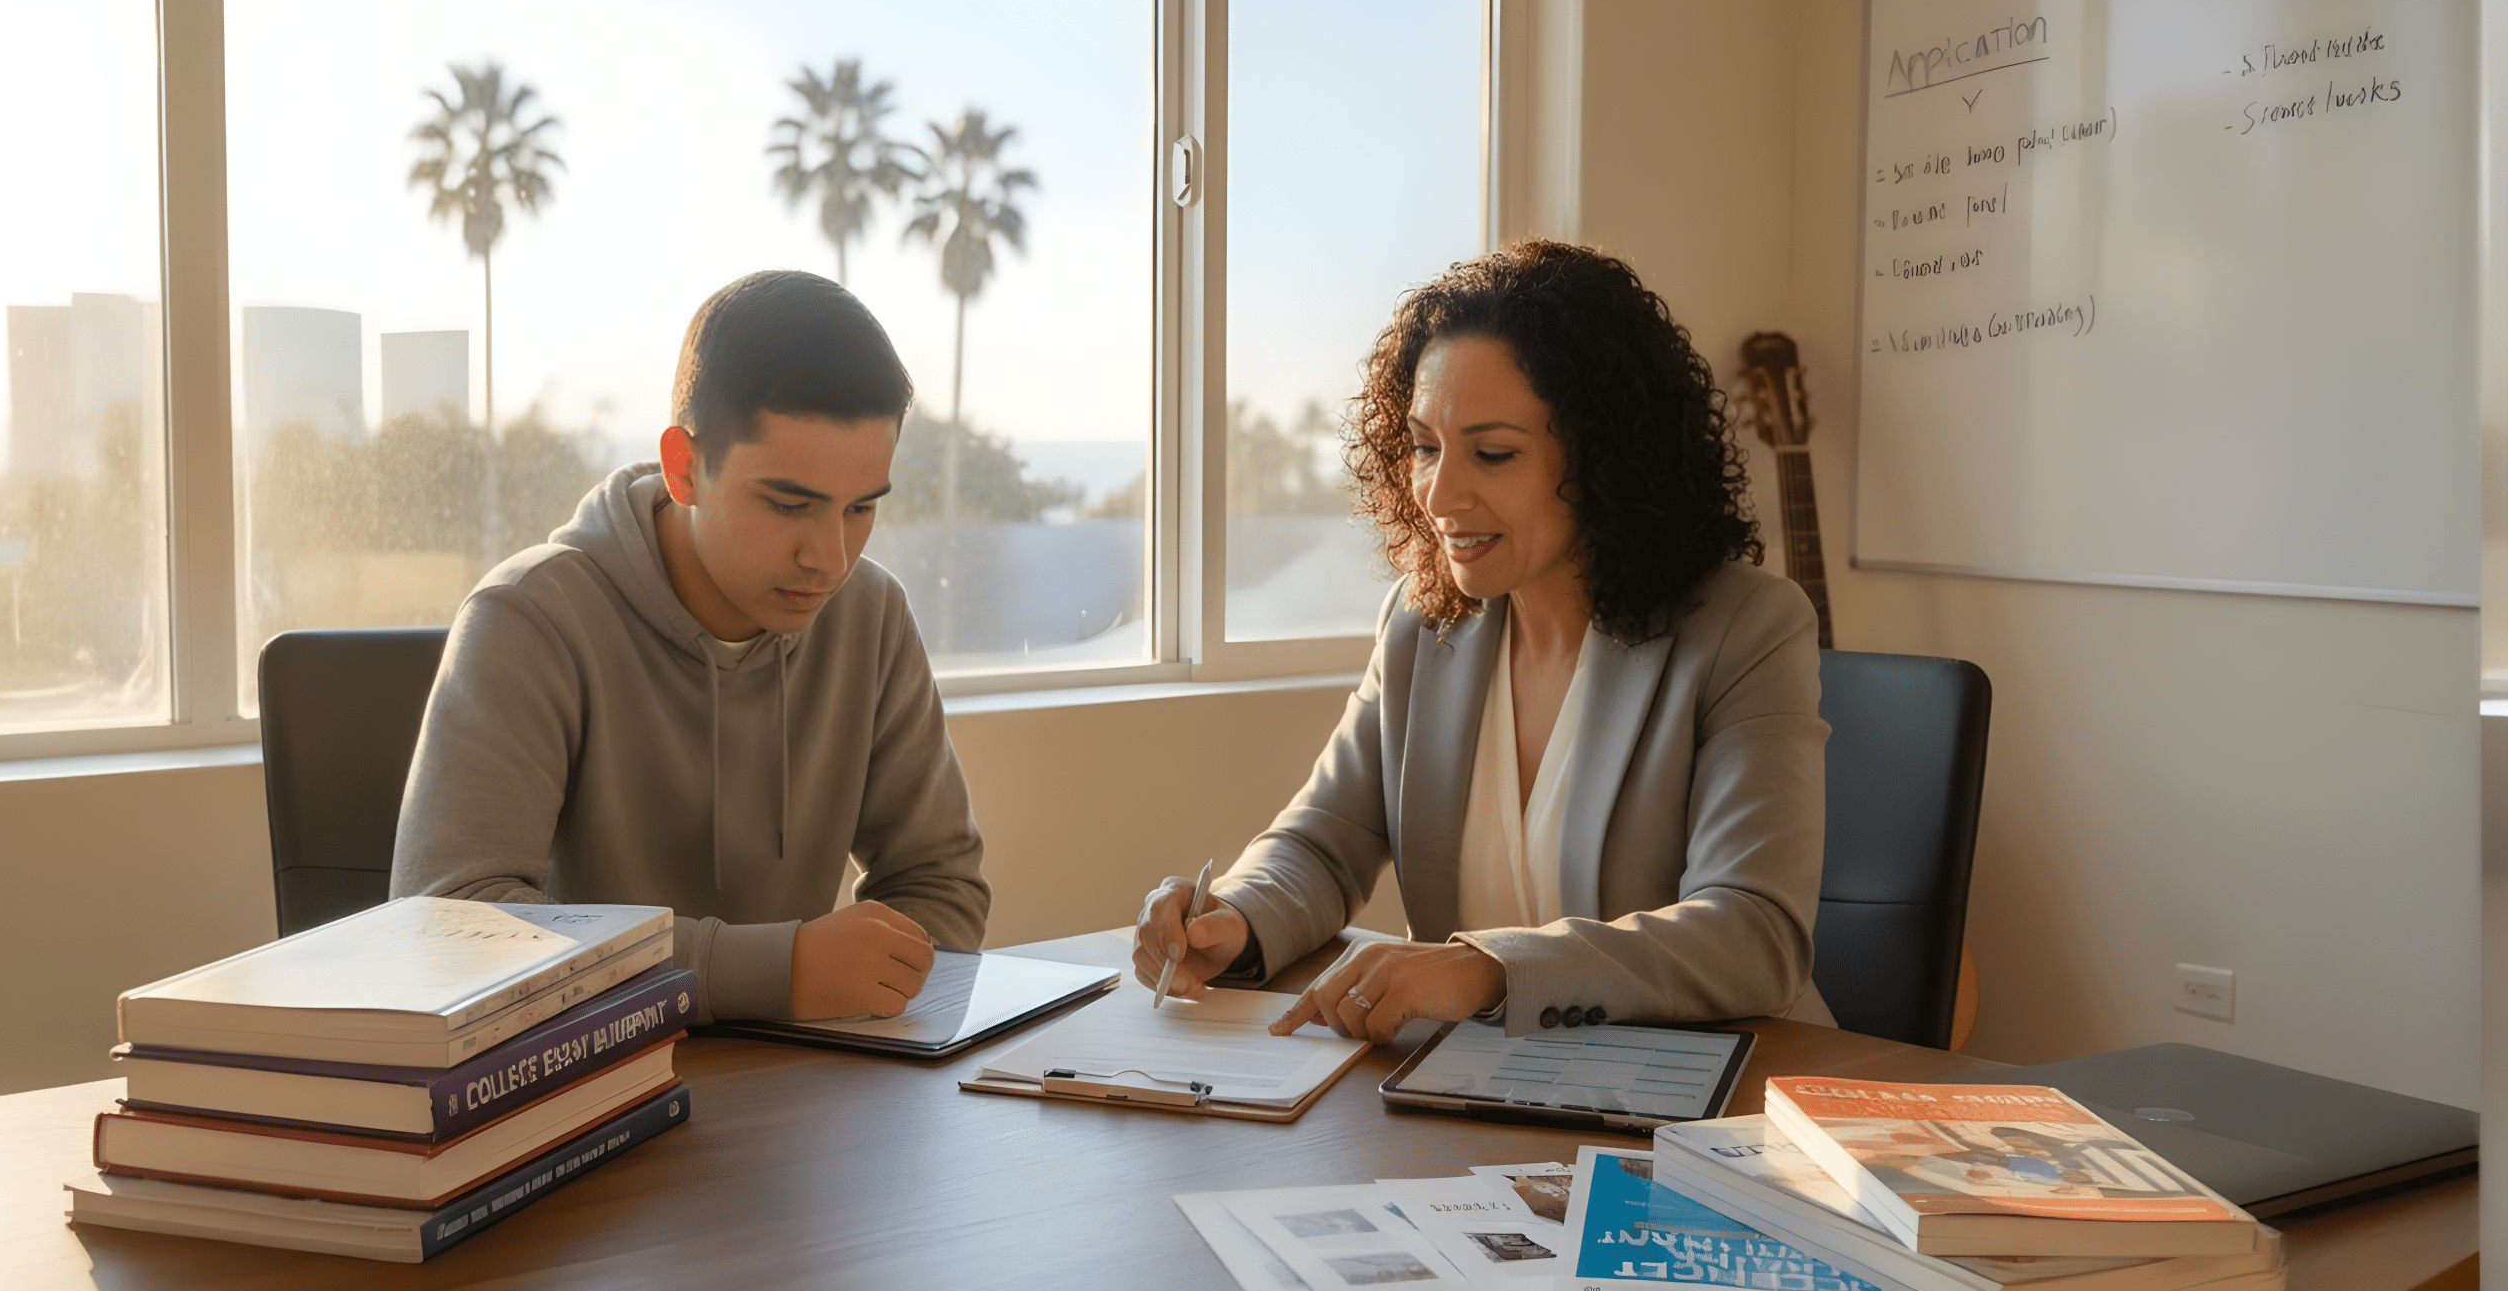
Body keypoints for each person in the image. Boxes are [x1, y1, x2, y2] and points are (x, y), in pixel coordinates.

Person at [1131, 240, 1835, 1040]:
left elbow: (1754, 932)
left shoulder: (1750, 629)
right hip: (1483, 1103)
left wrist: (1490, 968)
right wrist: (1236, 917)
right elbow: (1325, 840)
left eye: (1493, 454)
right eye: (1425, 447)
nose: (1438, 492)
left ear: (1606, 459)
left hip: (1701, 1104)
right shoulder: (1422, 624)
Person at [391, 271, 987, 1024]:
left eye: (861, 508)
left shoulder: (871, 615)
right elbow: (447, 925)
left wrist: (873, 983)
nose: (830, 559)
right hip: (578, 1097)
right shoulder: (529, 620)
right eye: (789, 504)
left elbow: (942, 881)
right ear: (683, 467)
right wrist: (767, 973)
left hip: (801, 1089)